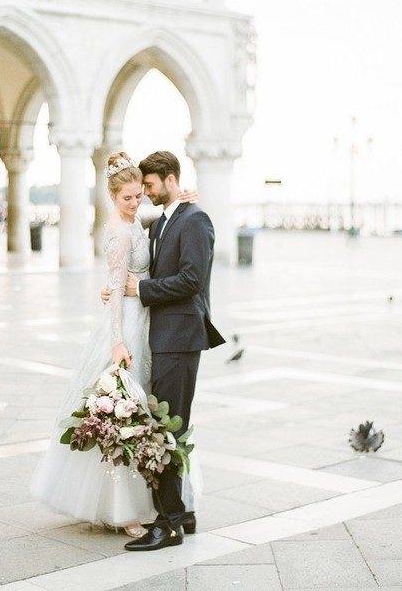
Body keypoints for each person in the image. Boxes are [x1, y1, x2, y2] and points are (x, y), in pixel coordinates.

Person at [30, 151, 156, 537]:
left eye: (139, 196)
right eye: (128, 198)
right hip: (127, 326)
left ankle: (138, 500)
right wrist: (118, 342)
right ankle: (122, 509)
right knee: (123, 415)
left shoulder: (134, 221)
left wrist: (183, 196)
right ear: (112, 195)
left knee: (140, 412)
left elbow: (155, 218)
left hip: (144, 318)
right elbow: (116, 288)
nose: (136, 203)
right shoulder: (118, 231)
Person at [122, 150, 225, 552]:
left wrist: (141, 290)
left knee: (167, 429)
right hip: (165, 337)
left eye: (149, 185)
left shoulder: (195, 219)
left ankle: (168, 526)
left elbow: (192, 279)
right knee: (171, 426)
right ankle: (183, 513)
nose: (145, 193)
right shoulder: (168, 218)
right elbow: (135, 226)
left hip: (180, 338)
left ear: (169, 178)